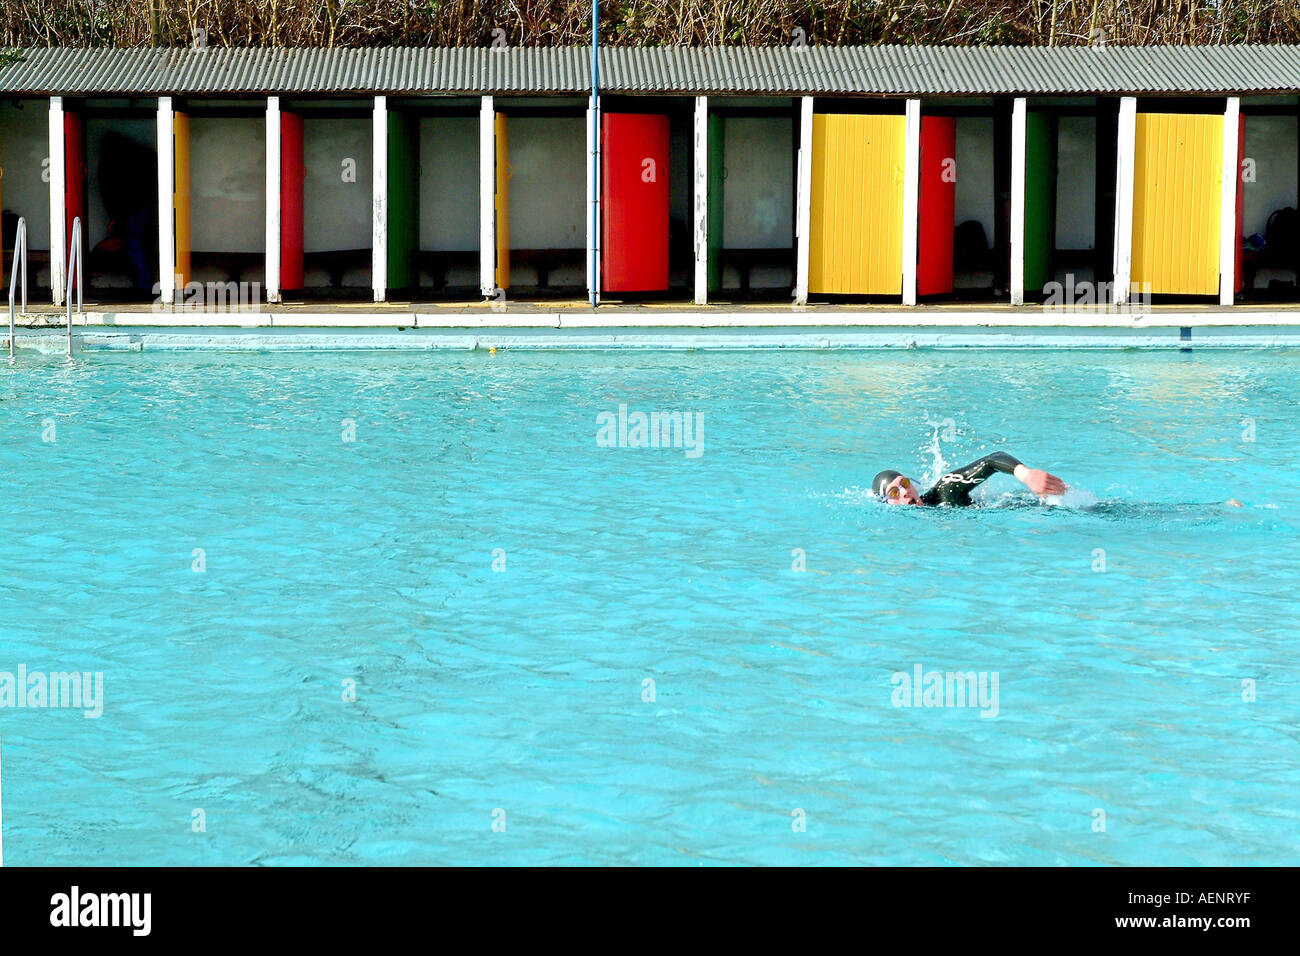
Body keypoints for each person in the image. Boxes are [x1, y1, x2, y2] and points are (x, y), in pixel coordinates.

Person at [873, 451, 1066, 507]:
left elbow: (992, 460)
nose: (905, 492)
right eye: (894, 492)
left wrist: (1027, 474)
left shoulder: (944, 492)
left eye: (905, 483)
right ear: (886, 503)